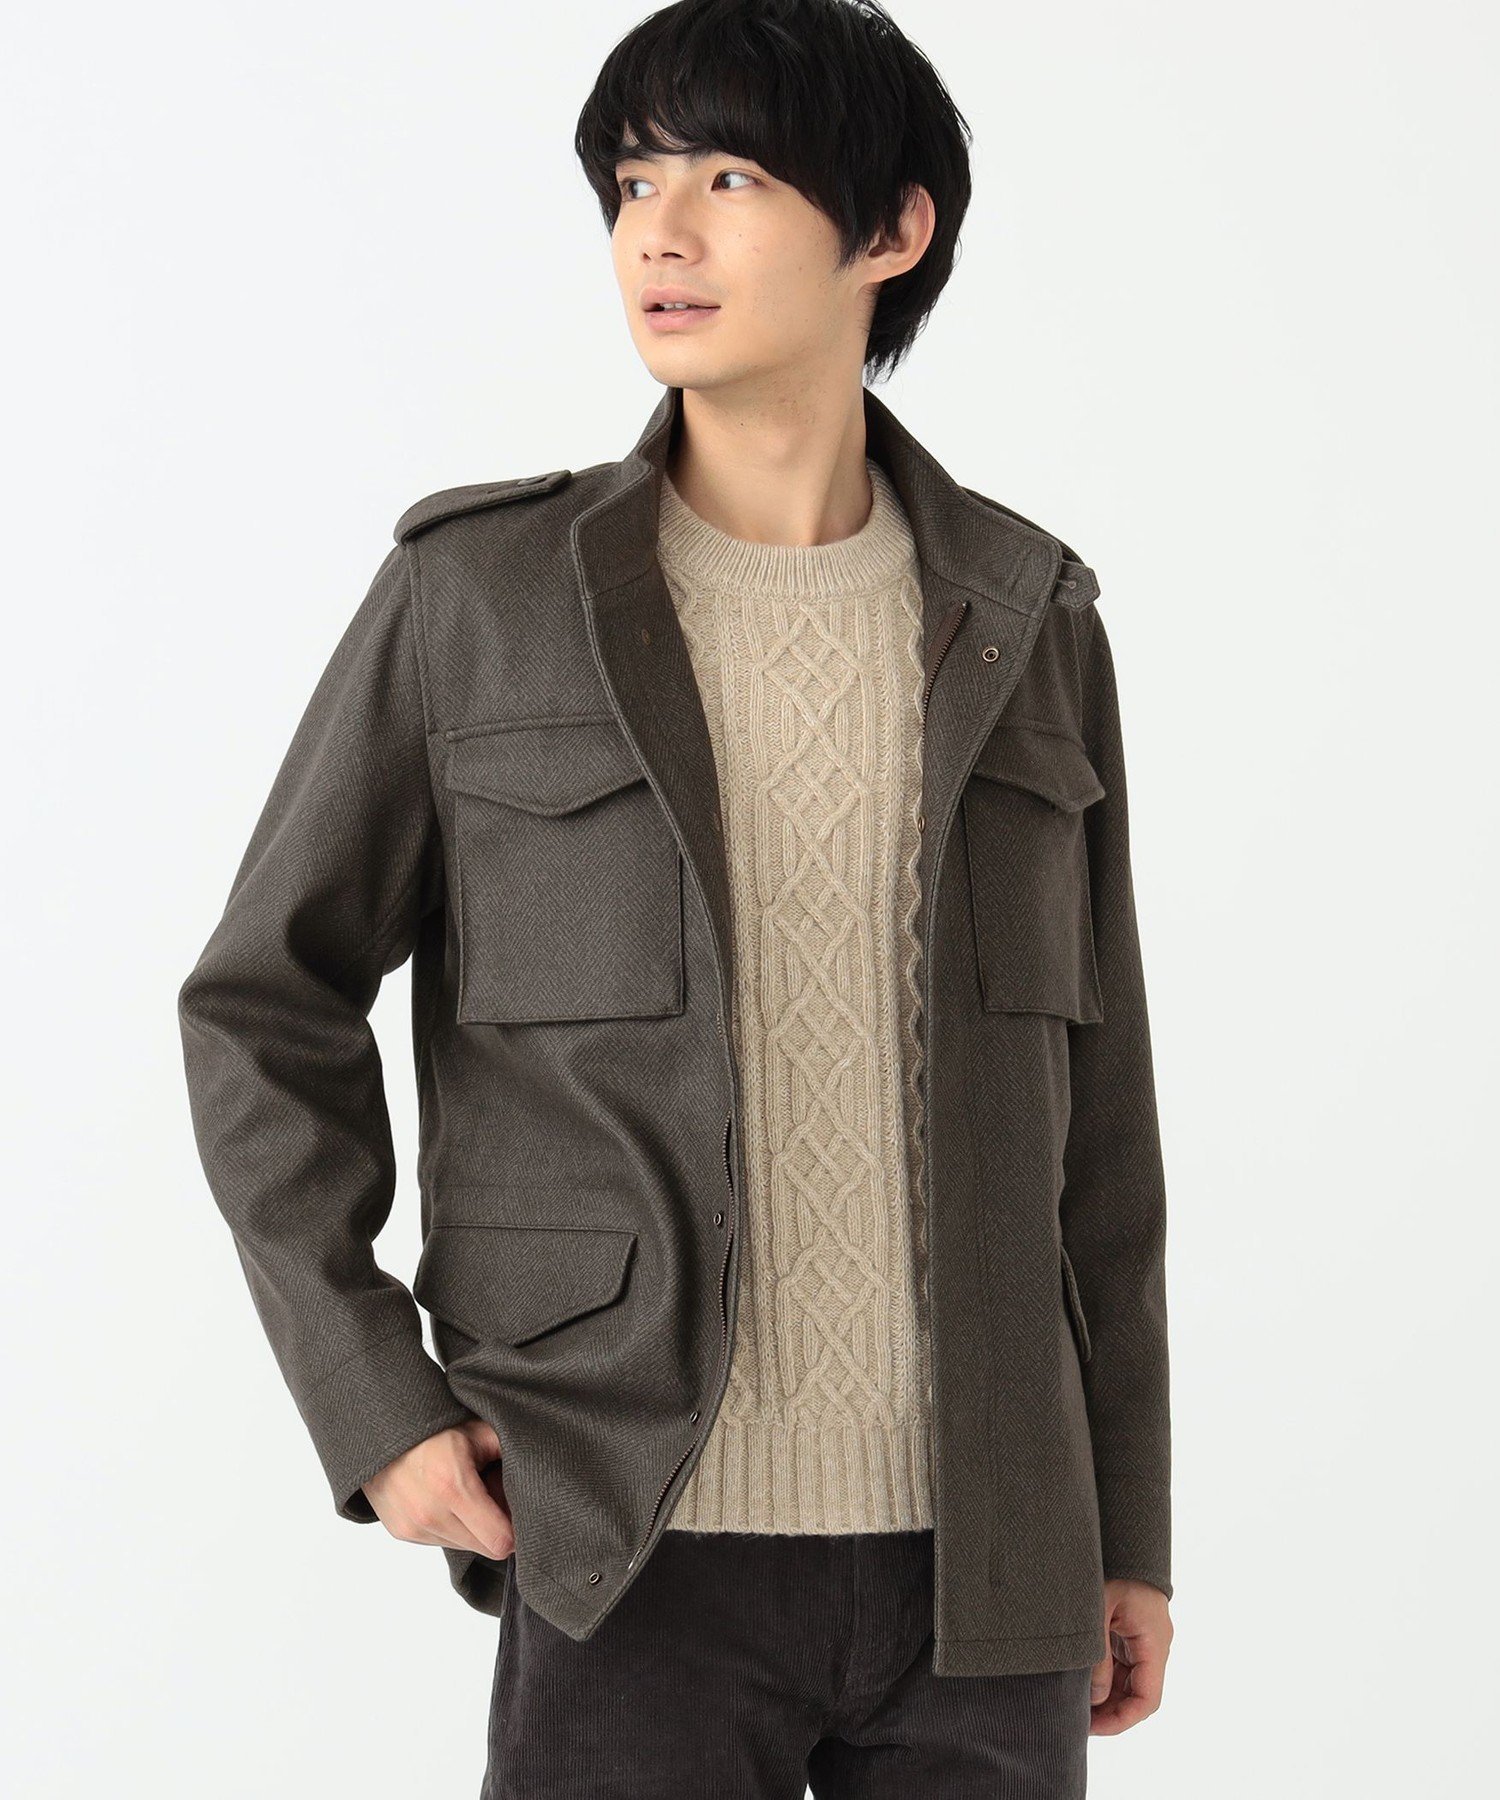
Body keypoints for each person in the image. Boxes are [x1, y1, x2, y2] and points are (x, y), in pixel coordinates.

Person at [177, 1, 1173, 1792]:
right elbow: (264, 1003)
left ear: (892, 229)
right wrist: (373, 1398)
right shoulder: (482, 598)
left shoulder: (1030, 619)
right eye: (635, 184)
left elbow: (1103, 1125)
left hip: (993, 1572)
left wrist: (1132, 1527)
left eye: (730, 178)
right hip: (624, 1541)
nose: (661, 232)